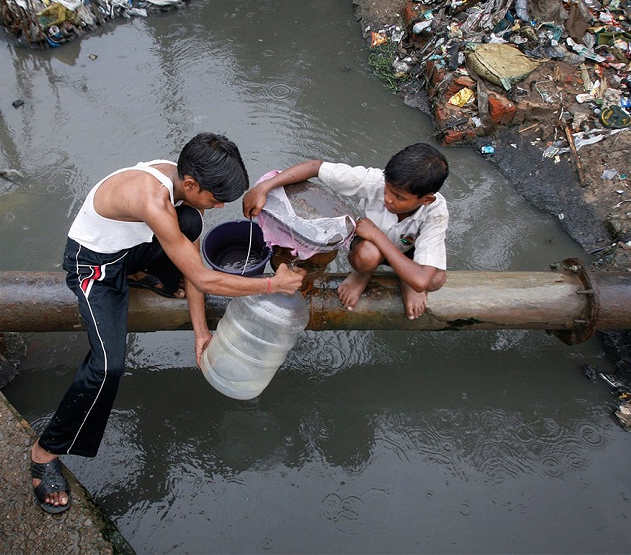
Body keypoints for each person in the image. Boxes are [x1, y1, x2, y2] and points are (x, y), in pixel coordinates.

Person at [30, 132, 306, 513]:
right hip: (92, 266)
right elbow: (205, 278)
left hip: (127, 251)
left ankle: (141, 274)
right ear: (190, 183)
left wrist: (201, 331)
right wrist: (275, 283)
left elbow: (193, 261)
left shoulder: (178, 179)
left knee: (190, 221)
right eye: (215, 198)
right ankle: (44, 453)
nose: (217, 206)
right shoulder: (152, 198)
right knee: (107, 366)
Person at [242, 143, 448, 321]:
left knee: (435, 280)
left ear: (426, 199)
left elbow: (422, 280)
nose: (388, 199)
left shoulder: (436, 212)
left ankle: (405, 281)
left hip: (405, 252)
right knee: (367, 255)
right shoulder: (375, 181)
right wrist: (264, 188)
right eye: (387, 190)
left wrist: (377, 234)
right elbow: (315, 167)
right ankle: (362, 275)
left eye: (399, 198)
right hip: (369, 248)